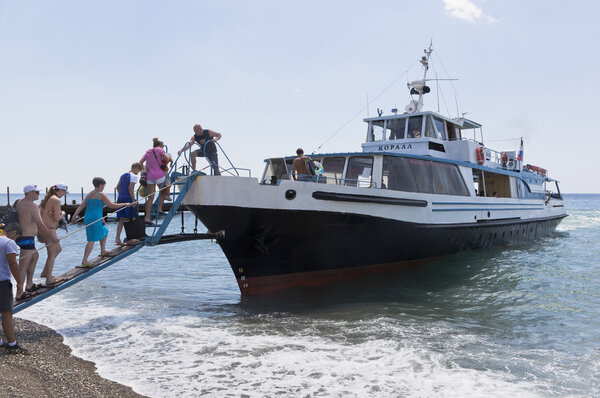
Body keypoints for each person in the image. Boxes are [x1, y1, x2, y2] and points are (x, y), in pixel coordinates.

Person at [71, 177, 131, 267]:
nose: (104, 187)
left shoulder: (89, 194)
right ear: (100, 185)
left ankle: (103, 251)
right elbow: (112, 205)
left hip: (89, 218)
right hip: (94, 219)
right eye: (103, 185)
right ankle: (85, 260)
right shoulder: (101, 194)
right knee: (91, 240)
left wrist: (74, 216)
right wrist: (125, 204)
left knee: (105, 231)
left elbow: (81, 206)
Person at [15, 185, 57, 300]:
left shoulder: (20, 202)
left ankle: (29, 285)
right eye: (37, 192)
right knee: (23, 266)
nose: (38, 194)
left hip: (23, 237)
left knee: (35, 256)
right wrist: (51, 237)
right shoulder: (32, 206)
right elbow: (40, 224)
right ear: (30, 193)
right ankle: (19, 293)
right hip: (26, 238)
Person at [0, 223, 24, 352]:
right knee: (7, 313)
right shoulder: (9, 243)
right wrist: (20, 283)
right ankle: (12, 344)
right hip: (2, 281)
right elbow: (13, 263)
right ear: (14, 232)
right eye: (17, 238)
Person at [39, 184, 68, 286]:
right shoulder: (56, 200)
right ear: (60, 190)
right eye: (64, 192)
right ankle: (48, 279)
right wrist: (63, 213)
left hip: (47, 229)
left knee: (58, 249)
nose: (64, 194)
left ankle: (45, 272)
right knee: (52, 254)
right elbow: (56, 218)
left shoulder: (49, 198)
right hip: (49, 229)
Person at [139, 138, 169, 224]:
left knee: (150, 198)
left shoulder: (148, 152)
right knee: (164, 191)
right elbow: (166, 159)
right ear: (160, 145)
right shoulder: (160, 150)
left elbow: (140, 162)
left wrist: (143, 171)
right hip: (159, 175)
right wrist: (165, 162)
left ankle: (147, 217)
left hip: (149, 177)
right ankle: (160, 209)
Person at [115, 163, 142, 245]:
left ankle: (117, 238)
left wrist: (121, 195)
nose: (138, 173)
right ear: (136, 168)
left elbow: (117, 187)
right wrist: (133, 200)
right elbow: (131, 188)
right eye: (139, 171)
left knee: (122, 219)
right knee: (132, 218)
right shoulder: (134, 176)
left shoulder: (123, 175)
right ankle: (132, 238)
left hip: (120, 198)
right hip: (128, 199)